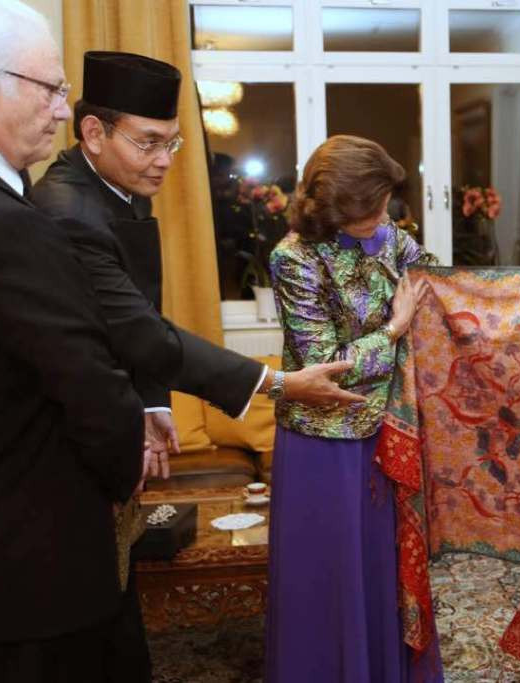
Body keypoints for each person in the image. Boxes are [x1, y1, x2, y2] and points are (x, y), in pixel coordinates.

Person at [27, 51, 365, 681]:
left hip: (113, 417)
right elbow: (139, 329)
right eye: (148, 142)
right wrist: (279, 383)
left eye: (173, 143)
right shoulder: (67, 212)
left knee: (117, 598)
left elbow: (132, 313)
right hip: (68, 445)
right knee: (91, 617)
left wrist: (153, 403)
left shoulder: (114, 190)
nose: (164, 160)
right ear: (93, 133)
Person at [0, 2, 145, 681]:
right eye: (50, 89)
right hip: (33, 575)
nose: (63, 112)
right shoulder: (4, 225)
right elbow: (91, 387)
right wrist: (124, 474)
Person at [265, 135, 443, 682]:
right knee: (326, 577)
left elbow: (438, 283)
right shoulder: (292, 259)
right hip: (321, 444)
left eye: (385, 203)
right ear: (335, 208)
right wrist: (394, 327)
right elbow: (322, 367)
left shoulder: (392, 239)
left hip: (386, 433)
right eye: (370, 209)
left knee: (382, 571)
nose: (382, 217)